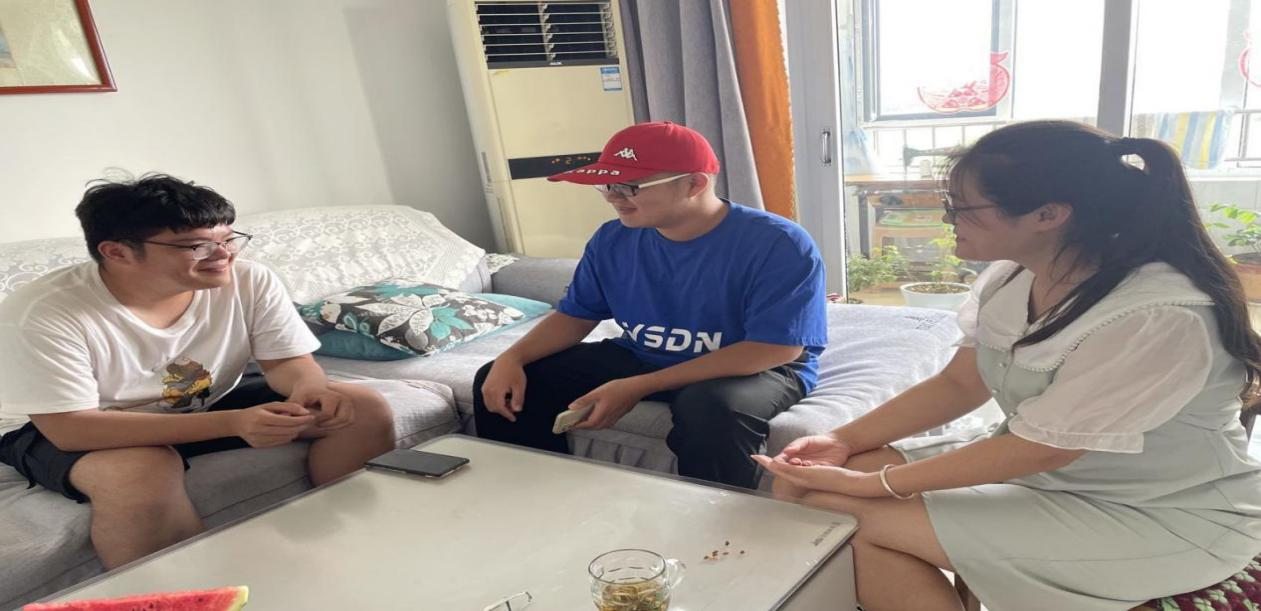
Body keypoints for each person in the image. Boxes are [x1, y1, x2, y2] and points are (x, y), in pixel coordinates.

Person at [755, 120, 1261, 611]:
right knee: (802, 482)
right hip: (1053, 477)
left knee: (836, 509)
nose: (948, 220)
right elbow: (960, 384)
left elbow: (1044, 450)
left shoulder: (1156, 314)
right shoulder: (1015, 277)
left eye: (961, 208)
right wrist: (842, 440)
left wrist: (874, 484)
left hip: (1158, 511)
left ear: (1048, 215)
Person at [0, 174, 395, 569]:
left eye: (228, 239)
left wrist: (310, 389)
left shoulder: (249, 280)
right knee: (141, 472)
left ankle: (355, 552)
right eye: (197, 245)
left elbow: (285, 362)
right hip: (77, 424)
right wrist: (235, 423)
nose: (223, 255)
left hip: (205, 399)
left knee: (360, 408)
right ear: (117, 252)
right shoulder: (43, 313)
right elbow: (71, 428)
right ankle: (180, 592)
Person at [473, 121, 827, 489]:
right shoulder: (612, 239)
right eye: (607, 185)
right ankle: (528, 498)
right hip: (646, 354)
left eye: (630, 187)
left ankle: (720, 521)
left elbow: (777, 348)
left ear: (695, 184)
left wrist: (639, 385)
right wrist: (512, 358)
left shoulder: (778, 243)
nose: (614, 198)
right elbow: (576, 316)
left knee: (711, 411)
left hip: (755, 367)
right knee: (505, 380)